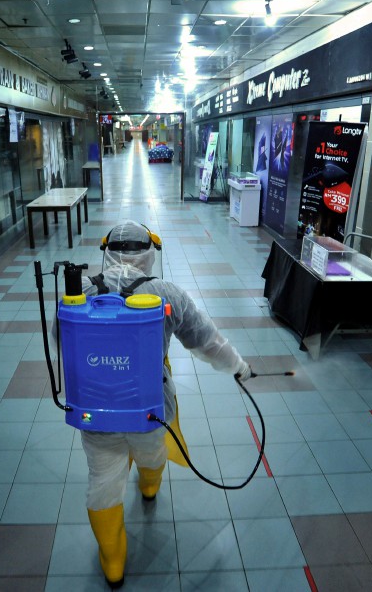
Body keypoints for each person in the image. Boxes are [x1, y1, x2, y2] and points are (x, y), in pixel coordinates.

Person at [74, 220, 251, 589]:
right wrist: (239, 366)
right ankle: (149, 488)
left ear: (105, 251)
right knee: (152, 456)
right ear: (150, 253)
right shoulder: (168, 294)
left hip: (96, 414)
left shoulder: (81, 292)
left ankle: (113, 564)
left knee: (102, 483)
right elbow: (208, 343)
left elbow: (65, 345)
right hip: (151, 411)